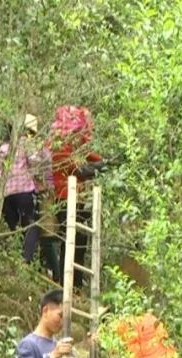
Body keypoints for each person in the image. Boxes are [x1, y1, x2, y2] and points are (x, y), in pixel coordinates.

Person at [48, 106, 107, 286]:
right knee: (71, 239)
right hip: (64, 199)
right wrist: (100, 167)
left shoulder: (72, 147)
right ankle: (69, 283)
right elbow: (79, 170)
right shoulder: (59, 147)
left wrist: (106, 162)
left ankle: (76, 283)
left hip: (76, 199)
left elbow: (90, 156)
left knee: (80, 240)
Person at [0, 114, 51, 264]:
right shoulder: (25, 143)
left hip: (6, 194)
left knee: (14, 228)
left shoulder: (3, 147)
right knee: (32, 225)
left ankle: (15, 259)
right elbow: (35, 163)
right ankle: (25, 261)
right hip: (24, 191)